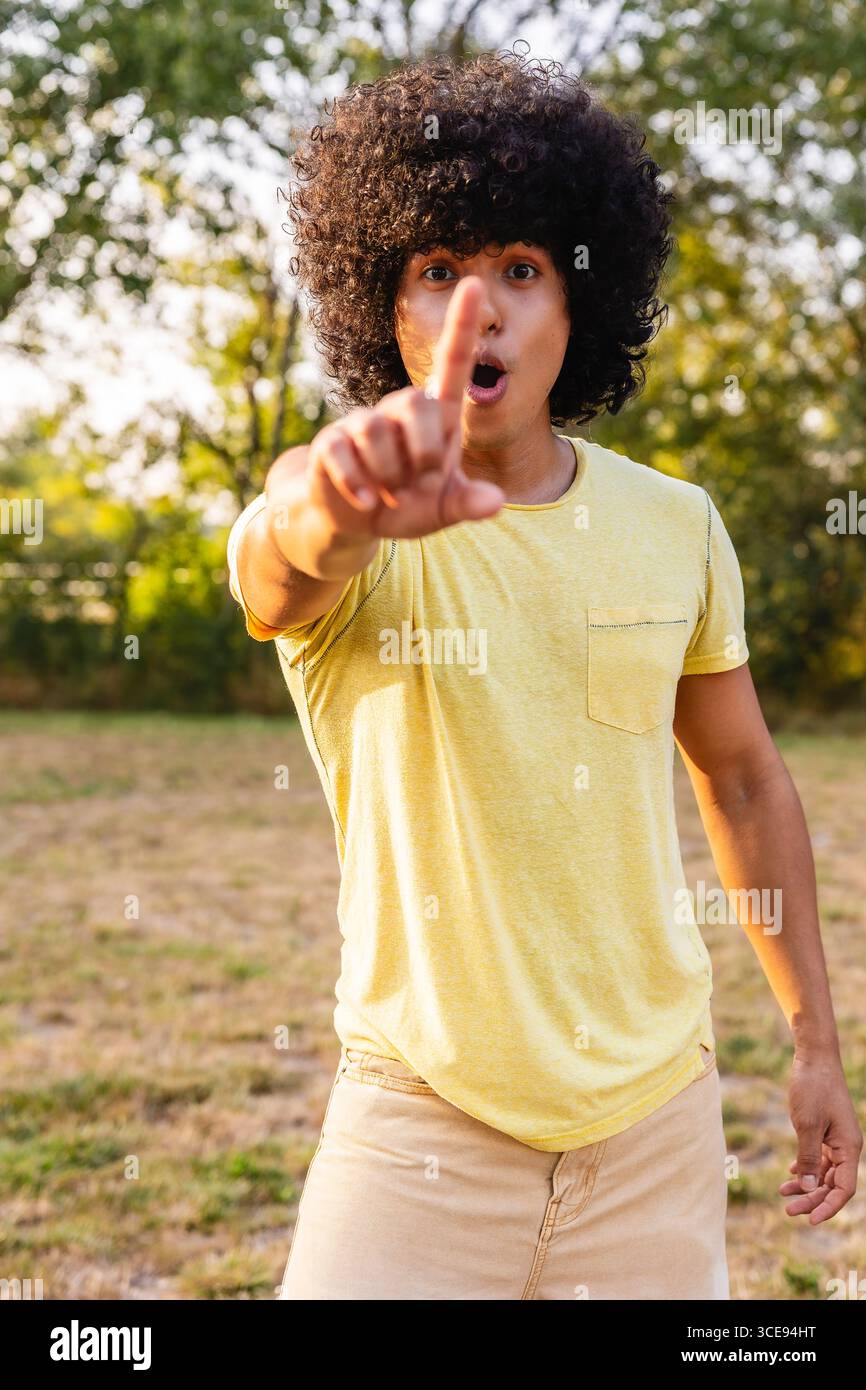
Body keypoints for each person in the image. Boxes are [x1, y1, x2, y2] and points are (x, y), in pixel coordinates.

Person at [226, 48, 861, 1300]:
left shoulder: (675, 524)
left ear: (579, 304)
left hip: (652, 1129)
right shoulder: (353, 503)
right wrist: (338, 507)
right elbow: (277, 561)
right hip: (417, 1126)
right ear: (387, 311)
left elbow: (739, 784)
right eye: (439, 271)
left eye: (522, 269)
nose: (487, 306)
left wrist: (813, 1045)